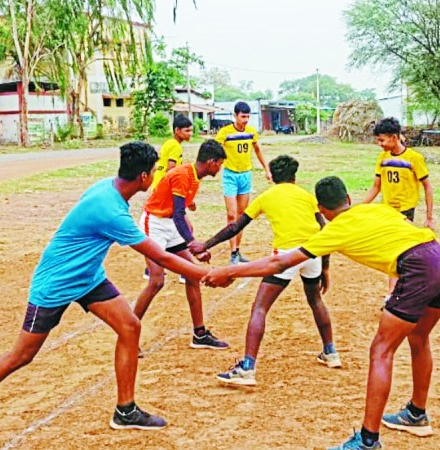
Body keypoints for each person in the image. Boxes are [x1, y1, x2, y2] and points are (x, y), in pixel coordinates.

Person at [0, 142, 231, 447]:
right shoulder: (111, 211)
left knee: (130, 326)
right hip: (55, 283)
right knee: (22, 355)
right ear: (144, 177)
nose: (158, 175)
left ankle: (125, 410)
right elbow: (161, 256)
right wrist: (208, 273)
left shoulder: (109, 189)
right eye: (155, 171)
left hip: (89, 277)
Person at [203, 176, 440, 450]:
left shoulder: (334, 230)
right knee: (419, 339)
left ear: (322, 210)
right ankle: (416, 414)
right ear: (348, 199)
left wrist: (229, 270)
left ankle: (368, 441)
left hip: (419, 269)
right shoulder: (377, 209)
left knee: (381, 350)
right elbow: (421, 239)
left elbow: (279, 263)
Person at [190, 155, 340, 386]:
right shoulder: (307, 196)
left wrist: (206, 244)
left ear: (272, 176)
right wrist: (325, 267)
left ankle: (247, 368)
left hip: (286, 256)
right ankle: (330, 352)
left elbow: (235, 227)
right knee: (315, 300)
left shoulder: (266, 197)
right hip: (312, 253)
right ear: (294, 176)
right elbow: (323, 230)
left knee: (260, 307)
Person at [135, 139, 229, 351]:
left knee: (192, 275)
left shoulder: (194, 177)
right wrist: (191, 242)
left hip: (170, 225)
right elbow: (178, 213)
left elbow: (180, 212)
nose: (220, 168)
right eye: (220, 164)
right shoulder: (182, 174)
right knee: (156, 281)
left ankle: (200, 334)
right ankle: (128, 332)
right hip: (155, 224)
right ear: (212, 162)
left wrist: (193, 242)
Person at [362, 117, 434, 297]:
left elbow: (427, 187)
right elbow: (376, 187)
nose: (379, 144)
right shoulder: (382, 158)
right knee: (393, 252)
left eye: (382, 140)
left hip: (405, 212)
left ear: (394, 138)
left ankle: (397, 292)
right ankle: (393, 293)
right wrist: (360, 207)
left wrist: (429, 217)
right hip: (387, 212)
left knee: (400, 251)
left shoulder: (414, 158)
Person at [214, 101, 272, 264]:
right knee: (231, 214)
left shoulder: (251, 132)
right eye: (242, 117)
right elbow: (215, 150)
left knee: (241, 216)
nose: (245, 120)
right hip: (230, 176)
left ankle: (237, 250)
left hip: (246, 176)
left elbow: (258, 150)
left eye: (247, 117)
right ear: (235, 116)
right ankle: (233, 252)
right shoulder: (225, 132)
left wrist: (266, 169)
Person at [151, 115, 193, 189]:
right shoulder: (175, 145)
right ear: (177, 130)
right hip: (163, 187)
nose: (190, 134)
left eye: (191, 130)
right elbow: (170, 169)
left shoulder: (169, 142)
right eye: (187, 131)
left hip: (158, 184)